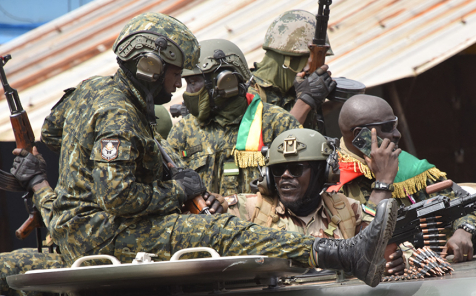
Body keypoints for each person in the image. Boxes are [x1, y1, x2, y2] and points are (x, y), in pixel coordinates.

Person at [5, 13, 400, 292]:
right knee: (220, 231)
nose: (179, 86)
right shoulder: (119, 115)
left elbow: (53, 131)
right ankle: (344, 255)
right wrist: (179, 188)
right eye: (176, 73)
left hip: (80, 224)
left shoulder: (93, 89)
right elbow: (119, 197)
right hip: (100, 232)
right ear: (148, 67)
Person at [335, 94, 476, 262]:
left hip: (434, 258)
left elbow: (464, 202)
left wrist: (464, 231)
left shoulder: (406, 164)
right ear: (359, 135)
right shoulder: (334, 178)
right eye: (387, 127)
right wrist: (383, 183)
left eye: (394, 124)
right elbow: (359, 246)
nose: (397, 133)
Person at [226, 128, 404, 275]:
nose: (285, 176)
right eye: (278, 170)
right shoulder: (248, 209)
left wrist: (397, 262)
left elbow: (388, 246)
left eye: (296, 169)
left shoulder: (346, 209)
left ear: (323, 172)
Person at [167, 39, 304, 197]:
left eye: (192, 82)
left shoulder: (278, 123)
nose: (188, 92)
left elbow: (301, 187)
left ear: (226, 82)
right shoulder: (183, 131)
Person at [250, 10, 336, 131]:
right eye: (311, 60)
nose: (315, 70)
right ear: (289, 59)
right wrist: (305, 101)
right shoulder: (246, 95)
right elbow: (274, 145)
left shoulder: (297, 92)